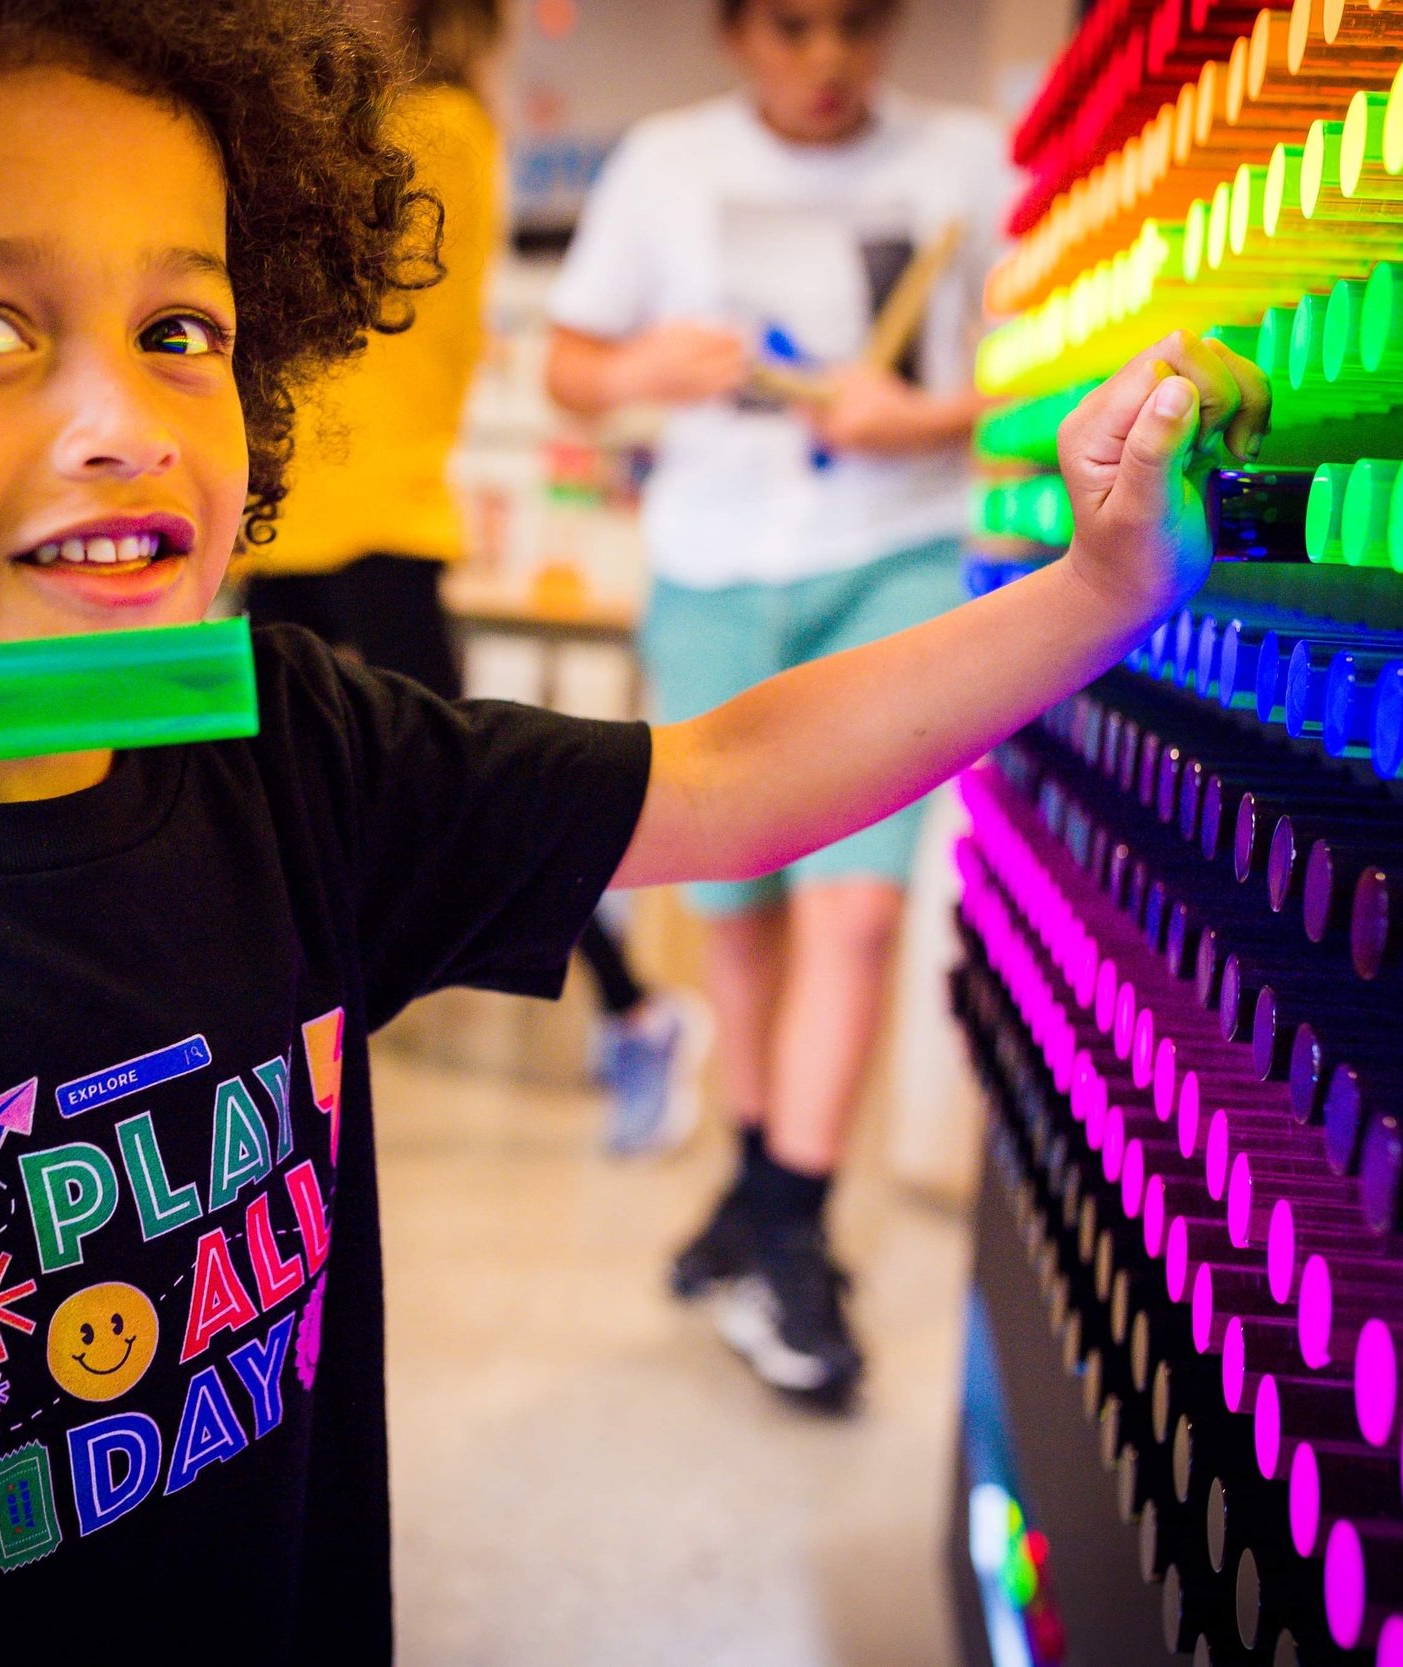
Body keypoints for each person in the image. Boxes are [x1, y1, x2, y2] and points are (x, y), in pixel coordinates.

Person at [0, 0, 1260, 1655]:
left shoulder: (294, 753)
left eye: (182, 327)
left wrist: (1084, 594)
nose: (126, 415)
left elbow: (727, 782)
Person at [543, 0, 1014, 1406]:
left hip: (898, 562)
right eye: (793, 27)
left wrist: (923, 418)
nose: (825, 61)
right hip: (708, 572)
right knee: (734, 918)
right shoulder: (667, 162)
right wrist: (642, 373)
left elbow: (1041, 371)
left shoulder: (970, 161)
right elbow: (571, 361)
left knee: (856, 905)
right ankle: (757, 1187)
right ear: (738, 33)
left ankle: (794, 1229)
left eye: (856, 27)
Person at [249, 0, 709, 1159]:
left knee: (461, 781)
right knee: (259, 788)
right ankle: (269, 1040)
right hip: (281, 517)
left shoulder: (436, 123)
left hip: (369, 504)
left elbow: (369, 314)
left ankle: (641, 1009)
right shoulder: (332, 111)